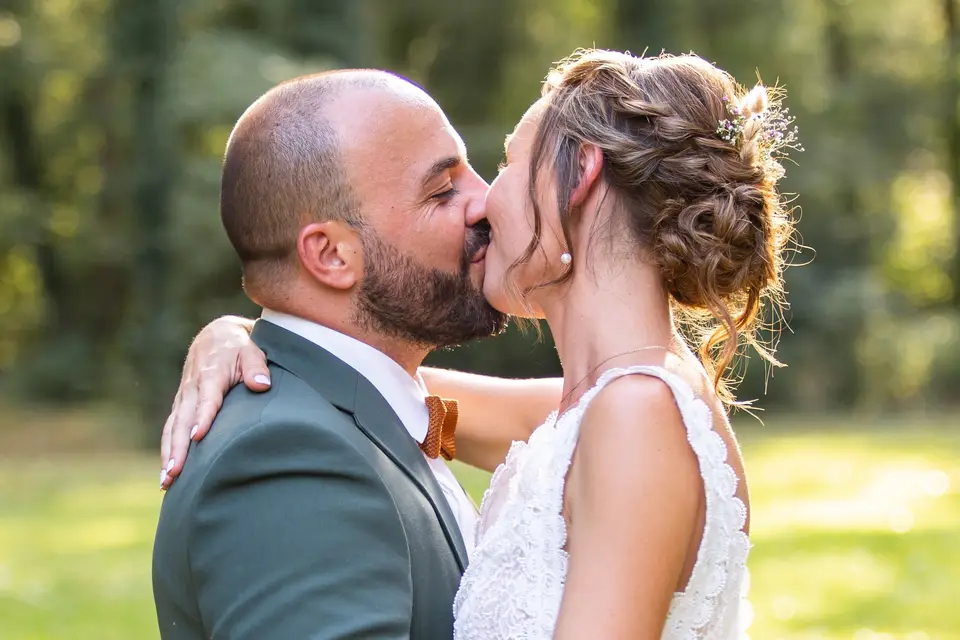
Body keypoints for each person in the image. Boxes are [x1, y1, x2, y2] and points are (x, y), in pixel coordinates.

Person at [162, 49, 799, 639]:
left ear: (579, 175)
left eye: (503, 164)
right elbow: (383, 396)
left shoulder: (635, 414)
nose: (483, 199)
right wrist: (241, 334)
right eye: (445, 188)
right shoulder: (603, 406)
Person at [152, 68, 526, 640]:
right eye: (442, 189)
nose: (487, 201)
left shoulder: (380, 407)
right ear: (329, 255)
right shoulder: (286, 458)